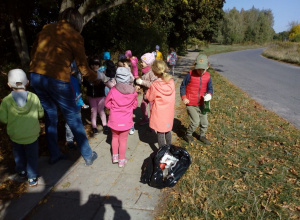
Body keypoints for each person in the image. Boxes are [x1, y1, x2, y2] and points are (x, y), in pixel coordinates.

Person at [29, 7, 98, 166]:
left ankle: (54, 155)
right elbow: (83, 67)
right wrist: (96, 78)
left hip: (35, 76)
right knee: (73, 116)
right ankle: (88, 155)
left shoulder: (46, 30)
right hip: (57, 78)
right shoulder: (75, 36)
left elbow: (34, 51)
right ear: (77, 21)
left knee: (50, 116)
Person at [0, 69, 44, 186]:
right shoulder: (34, 97)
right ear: (27, 82)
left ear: (9, 84)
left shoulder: (6, 101)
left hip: (15, 134)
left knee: (18, 152)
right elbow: (41, 114)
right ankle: (32, 177)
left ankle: (22, 171)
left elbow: (3, 119)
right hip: (32, 133)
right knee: (32, 155)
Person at [105, 67, 138, 167]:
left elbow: (107, 104)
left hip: (114, 119)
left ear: (117, 78)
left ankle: (115, 157)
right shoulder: (133, 91)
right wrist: (128, 108)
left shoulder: (113, 90)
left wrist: (113, 108)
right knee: (123, 140)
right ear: (128, 78)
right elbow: (135, 105)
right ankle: (121, 160)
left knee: (114, 137)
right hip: (126, 120)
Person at [180, 54, 213, 145]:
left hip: (203, 103)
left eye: (203, 69)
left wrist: (209, 95)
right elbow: (183, 86)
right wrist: (184, 97)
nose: (201, 71)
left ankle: (202, 136)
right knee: (195, 121)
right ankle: (188, 134)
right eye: (199, 69)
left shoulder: (208, 76)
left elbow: (210, 88)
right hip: (191, 103)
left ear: (207, 67)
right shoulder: (190, 75)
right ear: (195, 66)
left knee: (204, 122)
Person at [146, 60, 175, 148]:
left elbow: (150, 98)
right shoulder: (171, 82)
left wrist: (147, 92)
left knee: (160, 132)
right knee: (167, 130)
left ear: (154, 72)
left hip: (159, 113)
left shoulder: (155, 85)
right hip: (169, 112)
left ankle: (162, 151)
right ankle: (169, 148)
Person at [83, 56, 109, 135]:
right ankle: (94, 127)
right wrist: (90, 83)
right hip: (92, 96)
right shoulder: (87, 75)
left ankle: (105, 125)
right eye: (93, 64)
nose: (95, 66)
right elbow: (84, 84)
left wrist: (100, 83)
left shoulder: (101, 74)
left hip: (100, 96)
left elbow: (106, 82)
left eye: (97, 65)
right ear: (90, 65)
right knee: (93, 111)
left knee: (101, 111)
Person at [65, 73, 89, 149]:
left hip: (75, 106)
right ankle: (70, 141)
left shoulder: (74, 80)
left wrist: (81, 103)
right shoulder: (63, 80)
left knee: (77, 122)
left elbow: (78, 94)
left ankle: (78, 139)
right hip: (68, 106)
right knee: (69, 124)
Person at [135, 53, 157, 125]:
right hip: (145, 94)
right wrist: (139, 85)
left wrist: (142, 82)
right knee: (142, 106)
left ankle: (153, 122)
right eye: (141, 61)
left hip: (152, 95)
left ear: (148, 63)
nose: (141, 63)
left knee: (152, 109)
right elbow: (143, 81)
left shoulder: (152, 72)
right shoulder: (144, 71)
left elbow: (153, 84)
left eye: (142, 62)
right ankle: (146, 118)